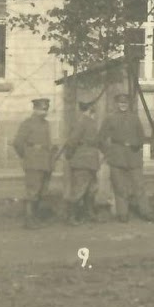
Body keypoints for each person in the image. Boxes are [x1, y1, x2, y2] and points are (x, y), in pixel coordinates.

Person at [99, 92, 154, 223]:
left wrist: (137, 145)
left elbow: (142, 137)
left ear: (128, 104)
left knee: (139, 186)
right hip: (117, 157)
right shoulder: (110, 118)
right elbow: (100, 139)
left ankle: (146, 211)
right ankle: (122, 213)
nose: (123, 105)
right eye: (120, 103)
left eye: (125, 103)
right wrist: (108, 152)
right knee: (120, 187)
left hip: (133, 156)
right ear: (116, 104)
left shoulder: (135, 118)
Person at [13, 97, 57, 228]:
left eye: (46, 109)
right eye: (42, 109)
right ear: (35, 109)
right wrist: (26, 155)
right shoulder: (27, 123)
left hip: (45, 162)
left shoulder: (46, 124)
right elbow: (17, 143)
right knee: (32, 191)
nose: (44, 112)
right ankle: (28, 220)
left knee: (41, 191)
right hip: (33, 161)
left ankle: (35, 218)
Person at [64, 99, 103, 224]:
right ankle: (71, 216)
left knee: (91, 189)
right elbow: (72, 141)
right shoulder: (82, 122)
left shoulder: (90, 122)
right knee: (79, 190)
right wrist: (70, 156)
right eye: (93, 106)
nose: (95, 108)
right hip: (82, 161)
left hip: (91, 161)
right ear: (89, 107)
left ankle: (89, 214)